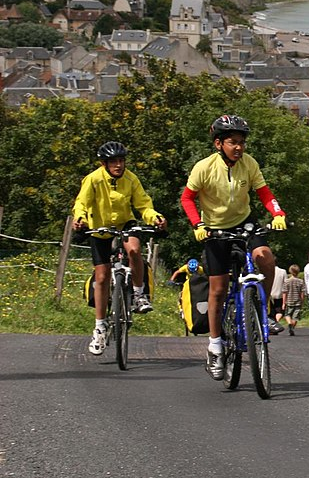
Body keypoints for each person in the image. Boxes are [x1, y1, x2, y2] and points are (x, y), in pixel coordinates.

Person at [180, 114, 288, 380]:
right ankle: (216, 346)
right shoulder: (204, 167)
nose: (239, 147)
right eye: (233, 142)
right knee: (217, 290)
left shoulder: (249, 164)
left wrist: (277, 214)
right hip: (214, 229)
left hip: (244, 223)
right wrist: (198, 225)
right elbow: (187, 198)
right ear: (219, 144)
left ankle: (263, 312)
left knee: (265, 257)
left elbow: (264, 193)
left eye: (242, 142)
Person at [73, 141, 167, 355]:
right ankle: (100, 326)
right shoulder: (94, 179)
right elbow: (81, 203)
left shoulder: (131, 179)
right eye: (113, 161)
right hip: (99, 227)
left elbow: (144, 204)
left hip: (125, 222)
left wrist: (155, 218)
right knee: (103, 275)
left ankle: (138, 294)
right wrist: (79, 219)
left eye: (121, 161)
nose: (118, 165)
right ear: (104, 164)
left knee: (134, 250)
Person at [281, 264, 305, 335]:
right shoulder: (300, 281)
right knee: (295, 317)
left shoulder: (287, 281)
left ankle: (289, 323)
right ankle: (292, 327)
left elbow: (284, 292)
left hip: (289, 301)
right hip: (297, 301)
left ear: (290, 271)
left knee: (287, 315)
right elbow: (302, 293)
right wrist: (302, 301)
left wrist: (283, 302)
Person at [269, 264, 287, 334]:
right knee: (279, 311)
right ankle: (276, 323)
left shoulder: (267, 271)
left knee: (271, 312)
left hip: (270, 293)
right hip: (279, 293)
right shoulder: (282, 271)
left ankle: (273, 325)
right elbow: (285, 283)